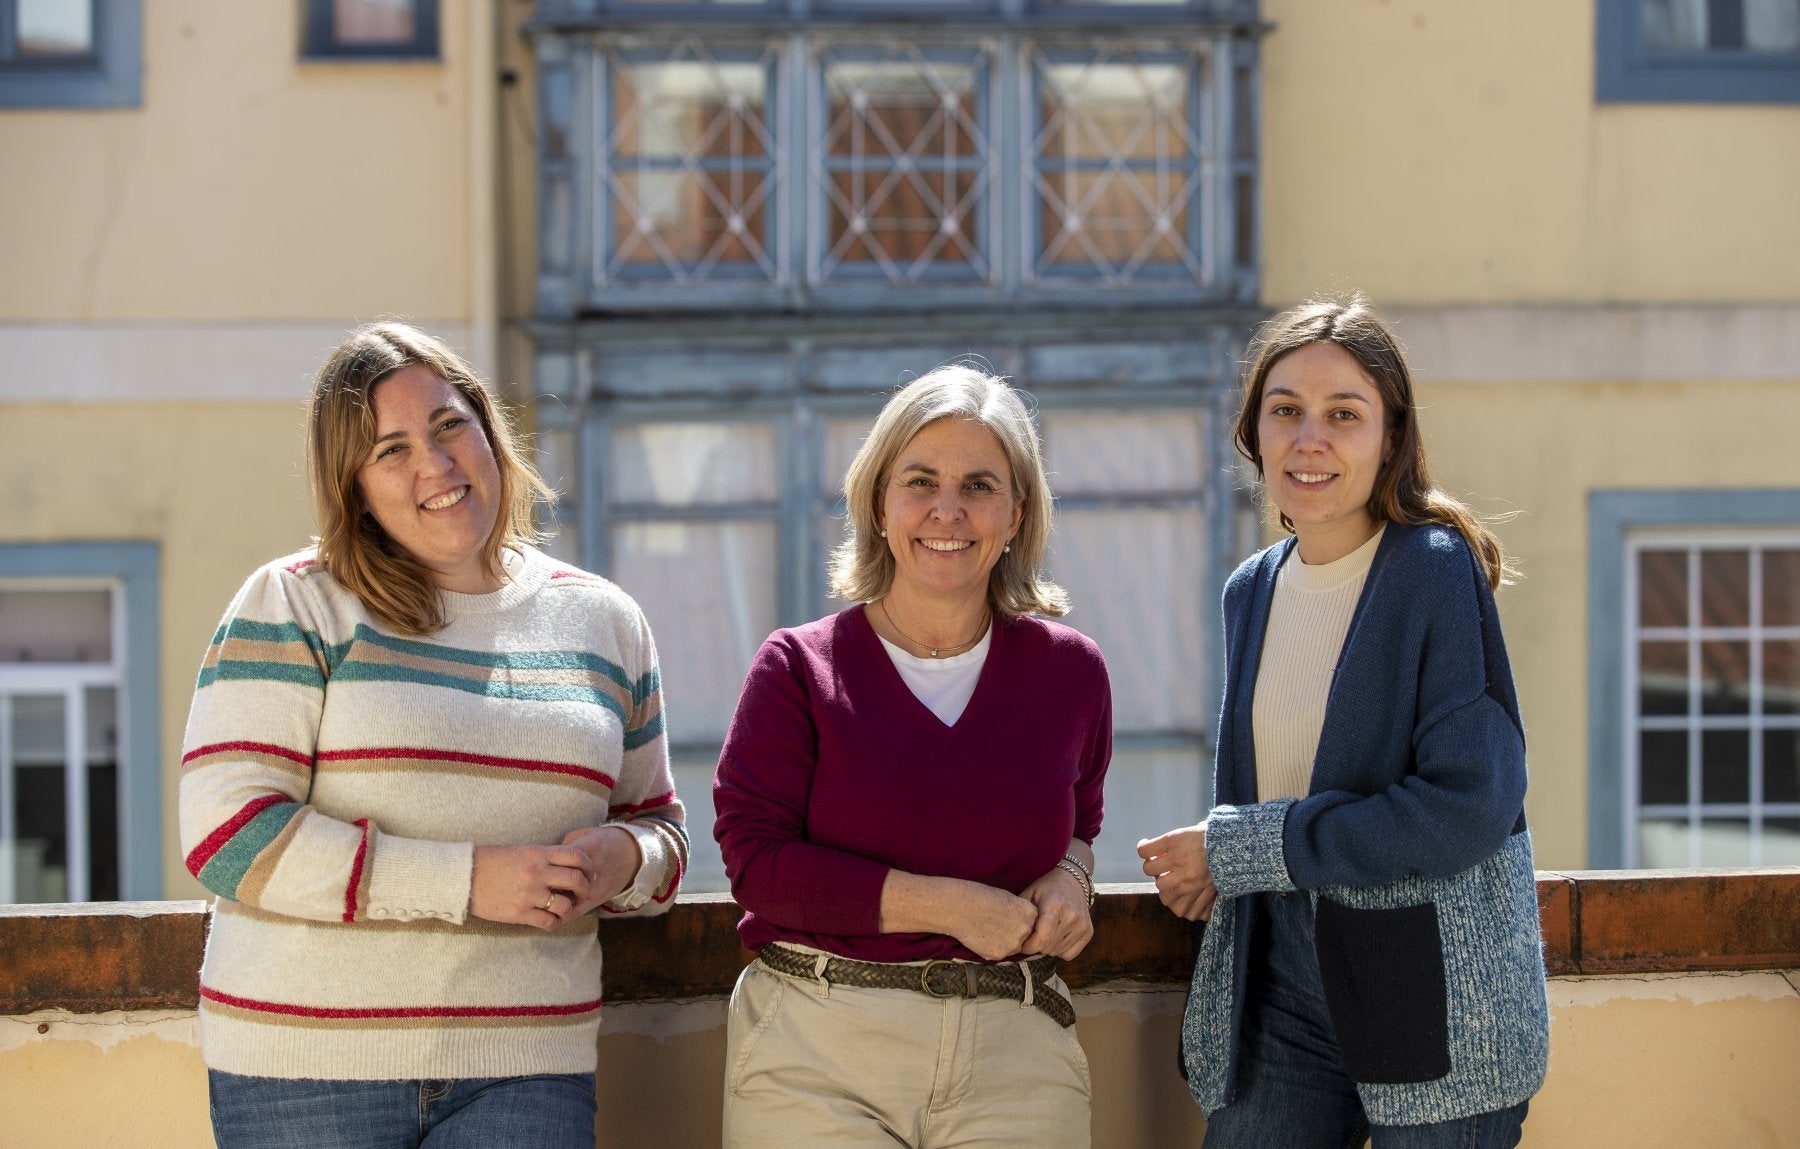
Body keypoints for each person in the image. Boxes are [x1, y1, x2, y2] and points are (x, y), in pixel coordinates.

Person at [178, 322, 687, 1149]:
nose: (436, 465)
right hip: (303, 1069)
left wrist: (619, 861)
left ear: (489, 427)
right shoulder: (295, 603)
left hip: (529, 1063)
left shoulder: (605, 621)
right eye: (392, 450)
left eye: (450, 425)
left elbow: (660, 828)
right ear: (356, 487)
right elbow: (226, 835)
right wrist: (467, 881)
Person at [1138, 295, 1548, 1148]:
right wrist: (1225, 863)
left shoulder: (1433, 570)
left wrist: (1243, 845)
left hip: (1430, 995)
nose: (1308, 438)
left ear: (1390, 437)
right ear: (1254, 432)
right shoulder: (1251, 588)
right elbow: (1283, 785)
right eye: (1284, 410)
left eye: (1343, 414)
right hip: (1280, 979)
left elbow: (1466, 805)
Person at [712, 363, 1112, 1149]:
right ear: (879, 503)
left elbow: (1081, 825)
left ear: (1015, 513)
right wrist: (950, 906)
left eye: (979, 486)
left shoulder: (1072, 672)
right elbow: (756, 862)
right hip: (819, 1050)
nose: (947, 510)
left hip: (1016, 1052)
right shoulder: (797, 667)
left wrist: (1072, 875)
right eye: (920, 480)